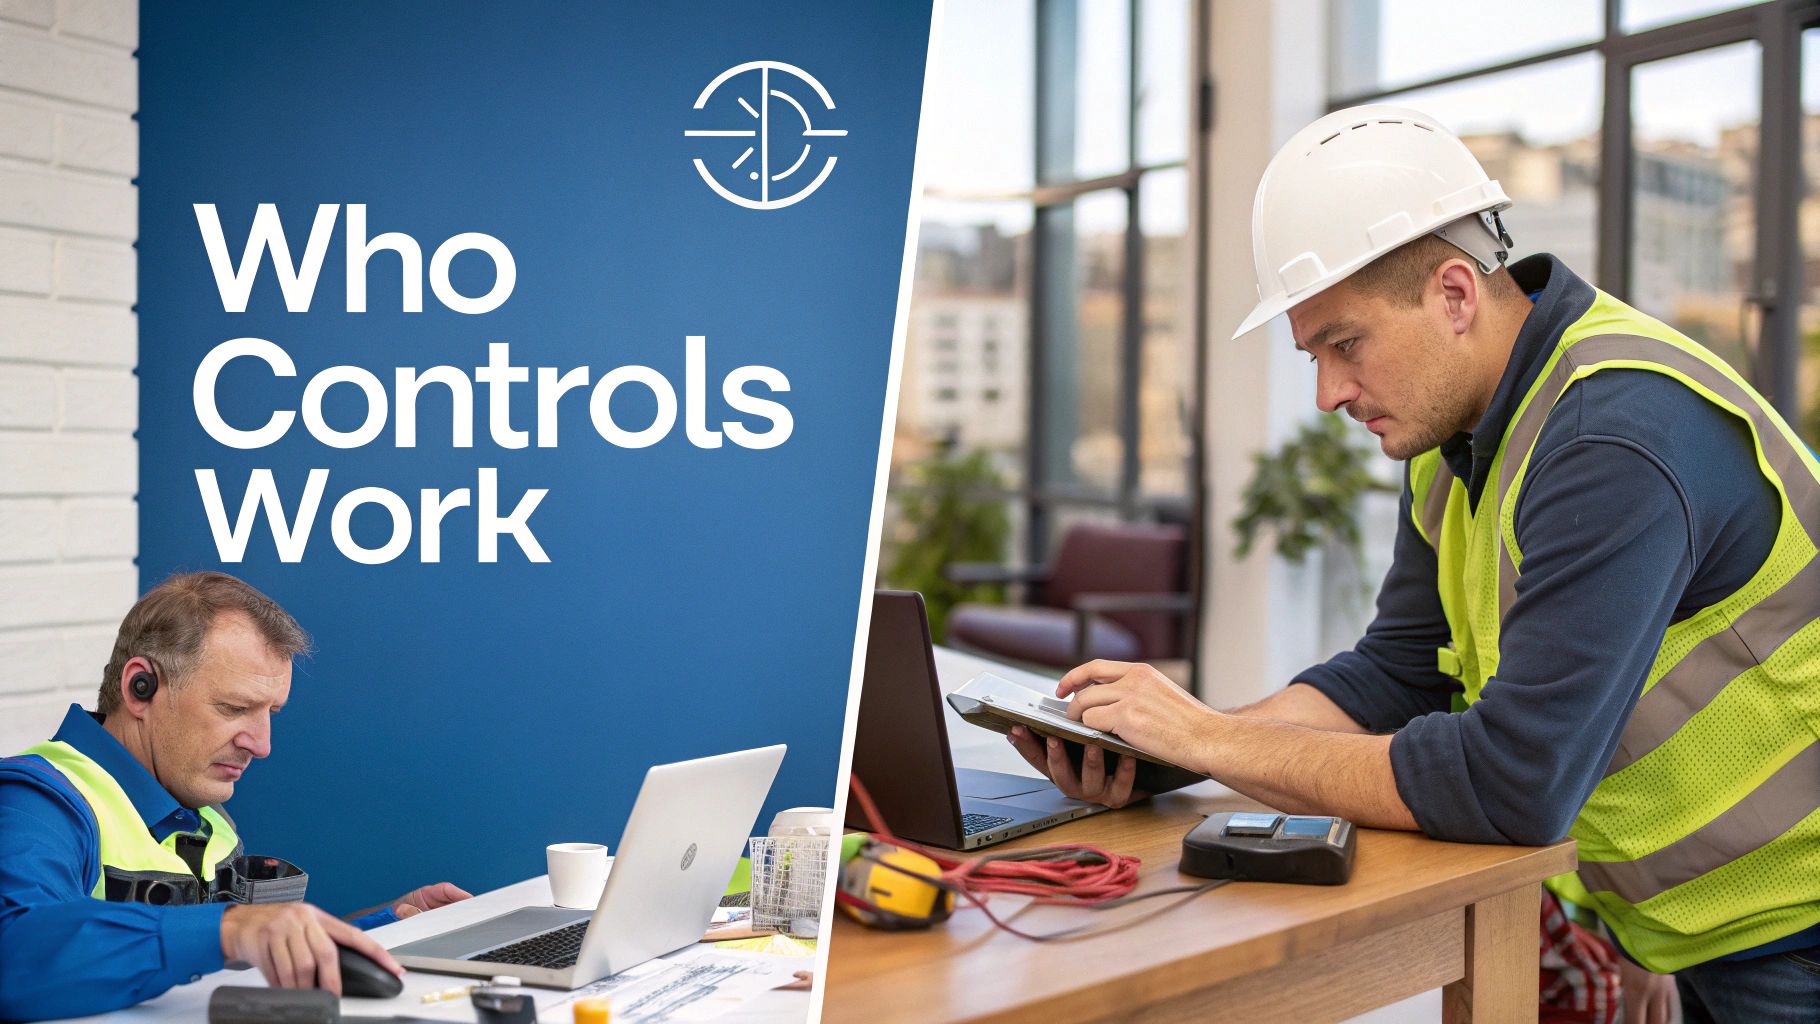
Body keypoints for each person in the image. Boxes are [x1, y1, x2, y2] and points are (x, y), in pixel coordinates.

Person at [1006, 103, 1820, 1022]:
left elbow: (1514, 783)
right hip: (1705, 928)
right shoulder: (1456, 440)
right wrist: (1163, 751)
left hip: (1797, 929)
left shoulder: (1611, 437)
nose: (1328, 393)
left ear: (1455, 295)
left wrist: (1209, 741)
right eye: (1313, 354)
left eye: (1345, 344)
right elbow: (1396, 675)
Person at [0, 571, 473, 1020]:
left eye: (271, 712)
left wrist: (380, 930)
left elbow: (222, 969)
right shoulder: (33, 801)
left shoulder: (205, 813)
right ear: (140, 689)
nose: (262, 745)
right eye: (234, 707)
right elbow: (12, 948)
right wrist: (230, 927)